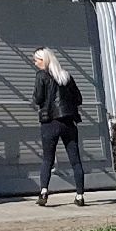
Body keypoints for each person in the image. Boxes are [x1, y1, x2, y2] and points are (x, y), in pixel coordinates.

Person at [32, 48, 86, 207]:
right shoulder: (66, 76)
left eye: (37, 60)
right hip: (69, 122)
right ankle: (80, 195)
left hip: (50, 122)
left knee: (48, 159)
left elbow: (38, 98)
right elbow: (78, 98)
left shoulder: (41, 76)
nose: (34, 63)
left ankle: (43, 192)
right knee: (75, 160)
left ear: (44, 61)